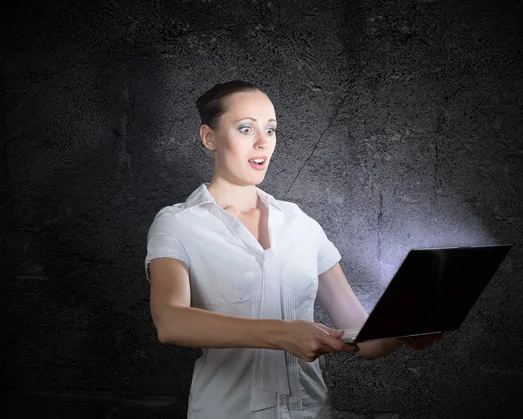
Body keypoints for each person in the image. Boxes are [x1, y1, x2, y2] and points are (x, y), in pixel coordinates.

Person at [144, 80, 442, 419]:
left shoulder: (300, 224)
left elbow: (365, 336)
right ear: (209, 137)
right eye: (246, 129)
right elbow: (170, 321)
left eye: (270, 130)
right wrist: (284, 334)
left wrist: (404, 331)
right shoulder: (178, 224)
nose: (262, 143)